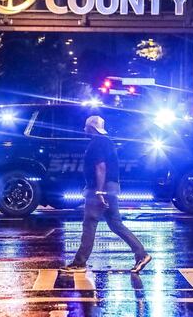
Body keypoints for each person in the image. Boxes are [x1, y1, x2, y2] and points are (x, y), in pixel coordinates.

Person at [60, 115, 151, 273]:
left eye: (86, 126)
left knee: (89, 223)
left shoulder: (98, 143)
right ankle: (141, 254)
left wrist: (99, 192)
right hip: (109, 188)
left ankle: (79, 263)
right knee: (115, 224)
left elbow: (101, 167)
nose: (84, 129)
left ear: (92, 128)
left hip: (100, 189)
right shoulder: (106, 141)